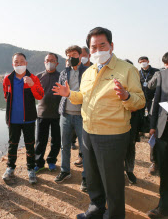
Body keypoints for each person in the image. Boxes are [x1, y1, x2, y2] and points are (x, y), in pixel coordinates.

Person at [53, 27, 145, 219]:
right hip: (88, 130)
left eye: (102, 45)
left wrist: (127, 96)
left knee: (112, 180)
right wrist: (69, 94)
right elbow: (83, 99)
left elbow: (140, 101)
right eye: (93, 47)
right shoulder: (89, 72)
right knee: (93, 176)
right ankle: (96, 209)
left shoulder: (127, 70)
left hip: (112, 134)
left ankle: (114, 214)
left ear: (111, 46)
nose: (97, 50)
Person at [2, 52, 44, 184]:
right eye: (16, 62)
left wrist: (32, 85)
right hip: (13, 119)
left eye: (21, 61)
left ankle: (31, 169)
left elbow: (40, 96)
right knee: (12, 145)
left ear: (26, 63)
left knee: (30, 145)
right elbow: (5, 96)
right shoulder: (7, 79)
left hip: (29, 119)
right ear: (13, 64)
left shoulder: (33, 78)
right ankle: (10, 168)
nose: (19, 64)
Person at [55, 45, 88, 192]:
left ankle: (86, 177)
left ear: (80, 55)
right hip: (66, 114)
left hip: (82, 115)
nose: (71, 57)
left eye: (74, 54)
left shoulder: (87, 72)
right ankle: (65, 170)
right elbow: (62, 91)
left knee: (85, 147)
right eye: (68, 55)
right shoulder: (64, 72)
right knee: (65, 145)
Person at [147, 52, 168, 218]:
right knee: (166, 171)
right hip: (165, 131)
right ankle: (164, 207)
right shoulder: (162, 74)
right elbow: (157, 101)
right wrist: (153, 126)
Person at [34, 53, 61, 173]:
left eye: (52, 60)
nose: (49, 62)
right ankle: (39, 163)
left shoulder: (61, 76)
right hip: (42, 114)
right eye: (47, 60)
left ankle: (51, 161)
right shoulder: (38, 76)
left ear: (57, 63)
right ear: (44, 62)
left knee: (56, 140)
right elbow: (32, 93)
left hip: (58, 114)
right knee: (40, 140)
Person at [138, 56, 160, 175]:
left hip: (154, 100)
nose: (143, 63)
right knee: (142, 116)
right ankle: (142, 130)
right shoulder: (138, 73)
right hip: (144, 98)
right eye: (141, 62)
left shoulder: (156, 72)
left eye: (144, 61)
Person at [123, 59, 143, 184]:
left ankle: (129, 170)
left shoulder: (137, 85)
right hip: (117, 121)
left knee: (130, 146)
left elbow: (141, 103)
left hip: (133, 120)